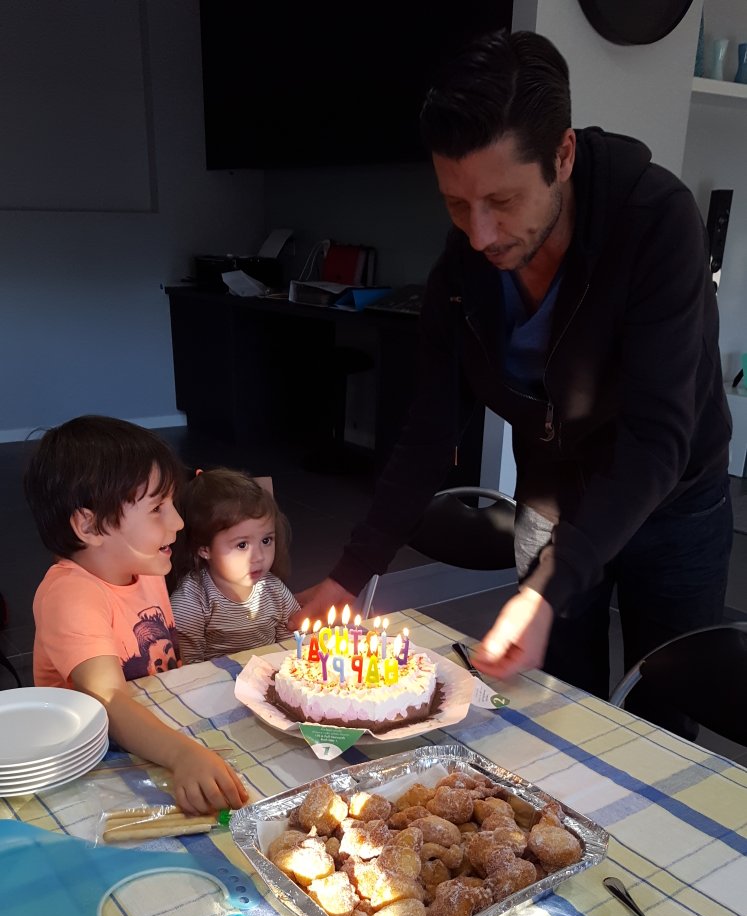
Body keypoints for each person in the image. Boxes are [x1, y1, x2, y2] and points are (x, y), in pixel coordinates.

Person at [292, 29, 733, 720]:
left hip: (672, 500)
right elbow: (428, 433)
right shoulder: (462, 271)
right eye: (455, 204)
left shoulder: (655, 224)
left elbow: (654, 439)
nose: (480, 235)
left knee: (667, 713)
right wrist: (351, 573)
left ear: (563, 155)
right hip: (553, 503)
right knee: (557, 704)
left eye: (501, 201)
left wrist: (547, 588)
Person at [24, 416, 248, 815]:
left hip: (155, 736)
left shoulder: (143, 569)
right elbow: (108, 699)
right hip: (95, 771)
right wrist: (182, 755)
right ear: (90, 525)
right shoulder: (70, 594)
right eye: (157, 508)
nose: (178, 522)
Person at [170, 467, 300, 663]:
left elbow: (292, 645)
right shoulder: (192, 602)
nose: (259, 556)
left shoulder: (274, 589)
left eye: (266, 541)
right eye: (242, 545)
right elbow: (189, 666)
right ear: (204, 549)